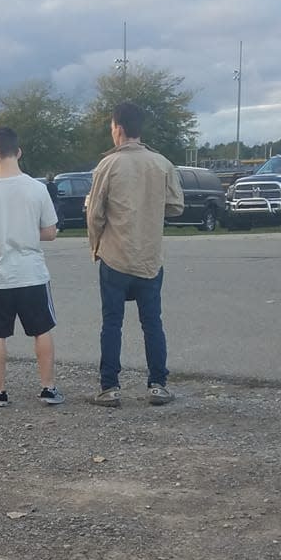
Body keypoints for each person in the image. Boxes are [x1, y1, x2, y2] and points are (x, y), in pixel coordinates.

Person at [85, 100, 184, 407]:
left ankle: (110, 386)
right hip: (150, 257)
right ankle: (157, 384)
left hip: (115, 255)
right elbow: (176, 206)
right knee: (152, 322)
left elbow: (95, 214)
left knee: (112, 322)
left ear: (119, 129)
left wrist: (96, 246)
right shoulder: (161, 163)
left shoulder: (108, 165)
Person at [0, 126, 63, 407]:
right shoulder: (37, 189)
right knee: (42, 329)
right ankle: (47, 387)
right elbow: (50, 231)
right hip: (32, 273)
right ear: (19, 152)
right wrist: (26, 232)